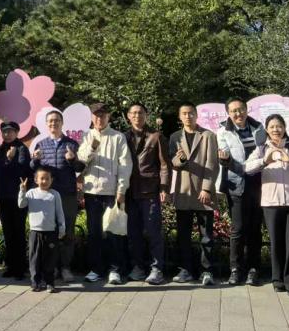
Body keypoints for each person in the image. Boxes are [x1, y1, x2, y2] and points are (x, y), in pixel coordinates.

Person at [245, 114, 289, 297]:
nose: (276, 130)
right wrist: (264, 161)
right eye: (272, 127)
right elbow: (247, 168)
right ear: (267, 130)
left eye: (279, 126)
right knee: (276, 242)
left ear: (284, 128)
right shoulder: (262, 148)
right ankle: (278, 281)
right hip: (271, 202)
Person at [78, 102, 132, 285]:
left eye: (102, 115)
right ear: (91, 117)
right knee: (94, 232)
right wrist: (92, 148)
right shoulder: (86, 135)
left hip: (111, 192)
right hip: (91, 192)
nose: (99, 118)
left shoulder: (118, 137)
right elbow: (81, 163)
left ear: (108, 116)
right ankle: (96, 269)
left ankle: (115, 270)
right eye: (96, 115)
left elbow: (125, 165)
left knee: (112, 232)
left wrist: (121, 190)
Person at [167, 103, 220, 286]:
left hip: (202, 192)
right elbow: (173, 163)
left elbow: (212, 164)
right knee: (183, 235)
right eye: (184, 113)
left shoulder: (208, 136)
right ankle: (185, 270)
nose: (188, 116)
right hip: (184, 191)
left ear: (197, 115)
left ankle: (207, 271)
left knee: (206, 236)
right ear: (179, 116)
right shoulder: (175, 137)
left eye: (191, 113)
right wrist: (180, 159)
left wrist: (206, 188)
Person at [30, 110, 85, 283]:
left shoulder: (72, 143)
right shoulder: (41, 144)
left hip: (67, 194)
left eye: (57, 120)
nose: (53, 123)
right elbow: (33, 169)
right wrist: (35, 160)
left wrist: (72, 159)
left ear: (62, 123)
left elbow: (80, 168)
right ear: (47, 124)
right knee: (49, 232)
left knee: (67, 230)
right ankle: (51, 268)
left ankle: (66, 267)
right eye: (50, 121)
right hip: (47, 195)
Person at [217, 98, 267, 285]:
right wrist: (225, 160)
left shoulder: (259, 129)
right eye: (233, 111)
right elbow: (224, 157)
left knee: (255, 229)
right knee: (237, 229)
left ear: (246, 109)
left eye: (241, 109)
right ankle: (235, 269)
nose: (238, 114)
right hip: (237, 183)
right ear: (228, 113)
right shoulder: (223, 131)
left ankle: (254, 269)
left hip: (259, 184)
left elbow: (265, 152)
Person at [124, 103, 170, 285]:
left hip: (150, 190)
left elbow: (165, 164)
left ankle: (157, 268)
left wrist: (164, 188)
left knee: (153, 231)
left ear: (146, 115)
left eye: (140, 113)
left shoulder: (156, 136)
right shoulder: (123, 137)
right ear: (128, 116)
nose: (137, 116)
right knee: (133, 233)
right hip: (129, 191)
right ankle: (137, 267)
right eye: (134, 113)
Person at [0, 120, 32, 280]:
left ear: (17, 133)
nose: (7, 134)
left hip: (18, 197)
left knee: (18, 232)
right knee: (8, 232)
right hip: (3, 197)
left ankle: (20, 268)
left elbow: (23, 170)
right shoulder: (0, 149)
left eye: (10, 131)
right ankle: (10, 265)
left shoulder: (22, 148)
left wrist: (10, 160)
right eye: (5, 131)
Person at [19, 168, 65, 293]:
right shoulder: (31, 193)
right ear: (36, 180)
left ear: (51, 180)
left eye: (47, 178)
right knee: (34, 258)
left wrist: (62, 228)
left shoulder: (55, 194)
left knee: (50, 258)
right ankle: (36, 282)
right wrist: (22, 190)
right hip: (35, 231)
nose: (44, 181)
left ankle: (49, 282)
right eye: (42, 178)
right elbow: (21, 204)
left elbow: (59, 213)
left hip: (50, 232)